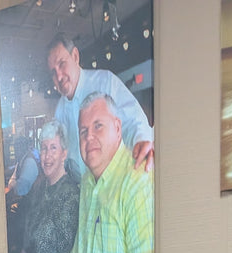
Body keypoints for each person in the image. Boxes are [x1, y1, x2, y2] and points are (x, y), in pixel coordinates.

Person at [67, 93, 153, 253]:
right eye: (83, 131)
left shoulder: (137, 180)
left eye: (98, 126)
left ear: (117, 128)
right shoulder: (87, 181)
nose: (89, 136)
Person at [47, 33, 153, 180]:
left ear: (75, 56)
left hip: (113, 186)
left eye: (62, 64)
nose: (58, 76)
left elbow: (133, 121)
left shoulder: (105, 82)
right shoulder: (59, 110)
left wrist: (141, 141)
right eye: (53, 72)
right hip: (83, 192)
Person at [14, 120, 79, 253]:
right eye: (44, 148)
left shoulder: (70, 194)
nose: (47, 155)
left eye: (53, 148)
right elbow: (28, 235)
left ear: (64, 153)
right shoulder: (39, 186)